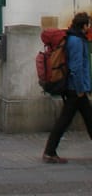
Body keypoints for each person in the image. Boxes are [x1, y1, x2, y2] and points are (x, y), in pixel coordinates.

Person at [43, 11, 92, 163]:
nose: (89, 27)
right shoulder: (77, 41)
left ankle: (49, 151)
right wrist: (80, 89)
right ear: (84, 25)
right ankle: (49, 152)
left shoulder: (73, 38)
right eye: (88, 24)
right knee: (65, 121)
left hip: (75, 88)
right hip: (75, 89)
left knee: (85, 119)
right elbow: (76, 68)